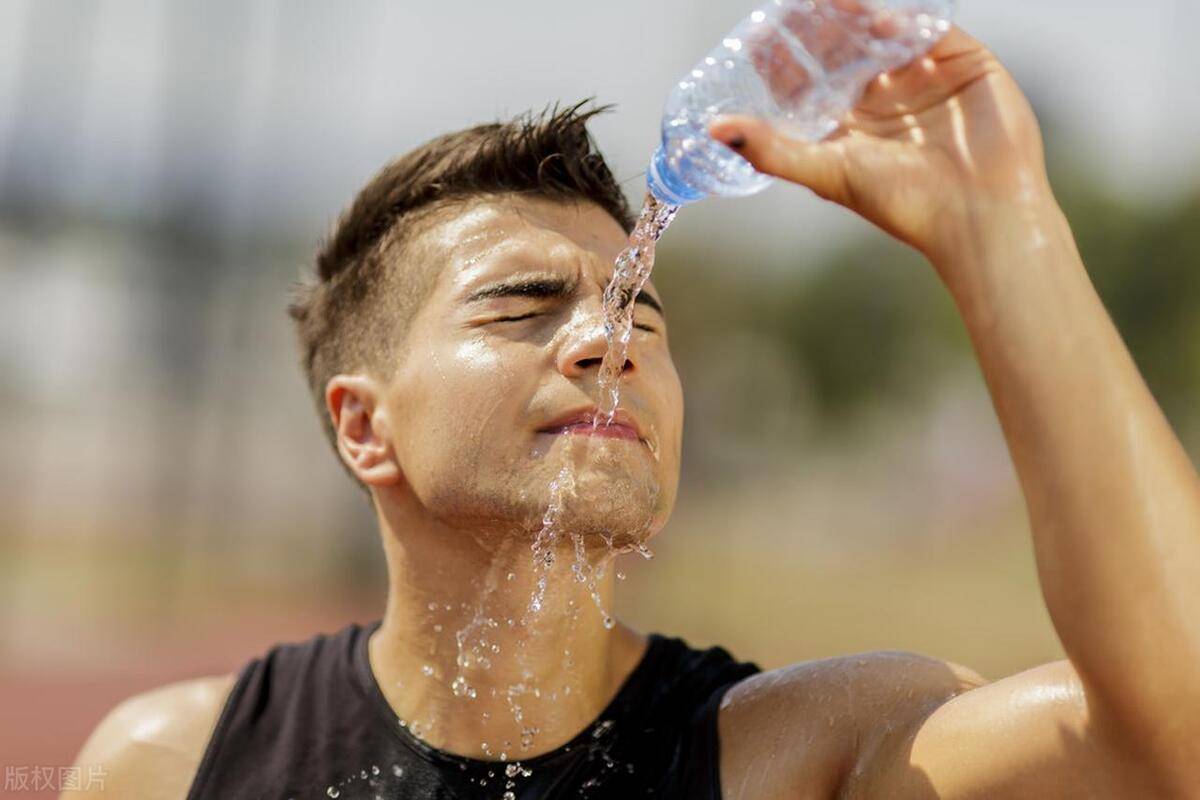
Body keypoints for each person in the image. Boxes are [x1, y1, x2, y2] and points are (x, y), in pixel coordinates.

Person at [65, 22, 1199, 800]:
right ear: (365, 425)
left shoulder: (799, 753)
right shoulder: (176, 763)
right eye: (525, 303)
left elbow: (1173, 741)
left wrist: (1003, 225)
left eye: (642, 318)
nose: (610, 338)